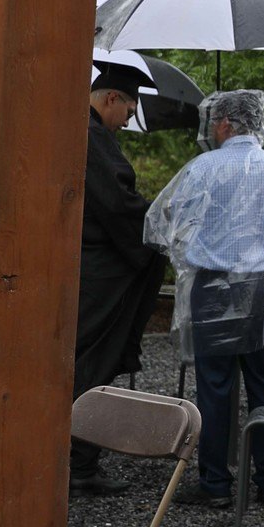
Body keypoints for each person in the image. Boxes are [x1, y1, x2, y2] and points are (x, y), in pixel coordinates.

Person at [145, 90, 264, 510]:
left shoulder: (201, 168)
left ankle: (215, 482)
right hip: (263, 286)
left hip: (214, 286)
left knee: (215, 387)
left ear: (224, 124)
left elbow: (164, 221)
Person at [71, 64, 169, 494]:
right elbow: (117, 207)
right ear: (111, 98)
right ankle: (77, 461)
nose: (128, 119)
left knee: (85, 357)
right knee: (90, 359)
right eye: (128, 108)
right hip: (98, 272)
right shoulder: (89, 136)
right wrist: (160, 224)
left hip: (91, 266)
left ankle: (76, 456)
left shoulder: (84, 131)